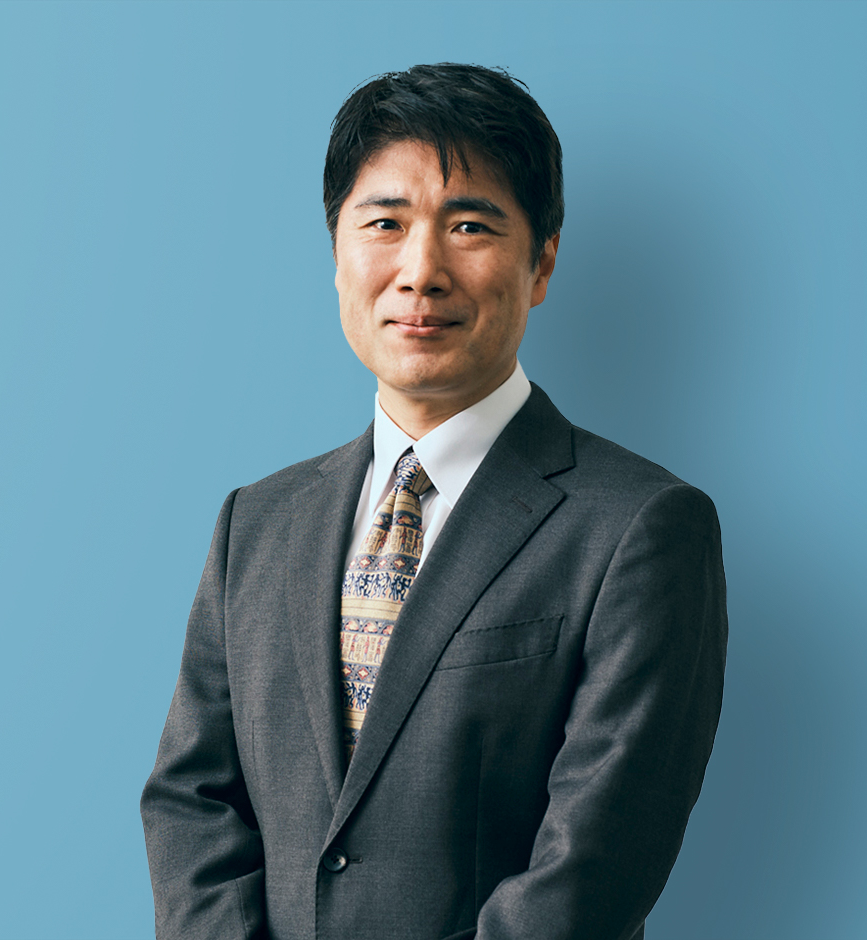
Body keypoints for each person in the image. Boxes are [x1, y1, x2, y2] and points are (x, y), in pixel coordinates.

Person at [140, 63, 727, 940]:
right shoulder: (255, 524)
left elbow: (596, 864)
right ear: (336, 253)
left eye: (469, 227)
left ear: (542, 262)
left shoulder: (639, 528)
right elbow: (192, 802)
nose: (421, 271)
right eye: (385, 223)